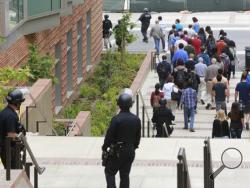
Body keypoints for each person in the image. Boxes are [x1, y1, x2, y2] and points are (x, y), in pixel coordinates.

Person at [102, 89, 141, 188]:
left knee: (109, 172)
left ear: (119, 105)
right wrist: (133, 147)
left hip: (117, 151)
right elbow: (137, 138)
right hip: (130, 151)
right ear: (130, 105)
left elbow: (109, 136)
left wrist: (104, 147)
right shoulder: (136, 119)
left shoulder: (116, 119)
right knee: (125, 175)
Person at [0, 89, 26, 169]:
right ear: (17, 102)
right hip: (10, 150)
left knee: (13, 173)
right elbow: (11, 134)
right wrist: (21, 137)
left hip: (7, 150)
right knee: (16, 173)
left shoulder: (5, 112)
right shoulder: (10, 116)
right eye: (20, 102)